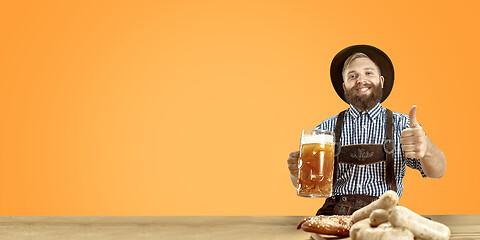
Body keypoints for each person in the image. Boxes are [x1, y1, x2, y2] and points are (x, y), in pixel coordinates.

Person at [287, 45, 446, 215]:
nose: (360, 80)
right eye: (352, 76)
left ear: (381, 81)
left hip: (383, 214)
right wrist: (297, 174)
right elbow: (307, 184)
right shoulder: (325, 130)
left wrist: (427, 148)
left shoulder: (403, 125)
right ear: (344, 86)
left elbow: (438, 171)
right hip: (334, 213)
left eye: (368, 73)